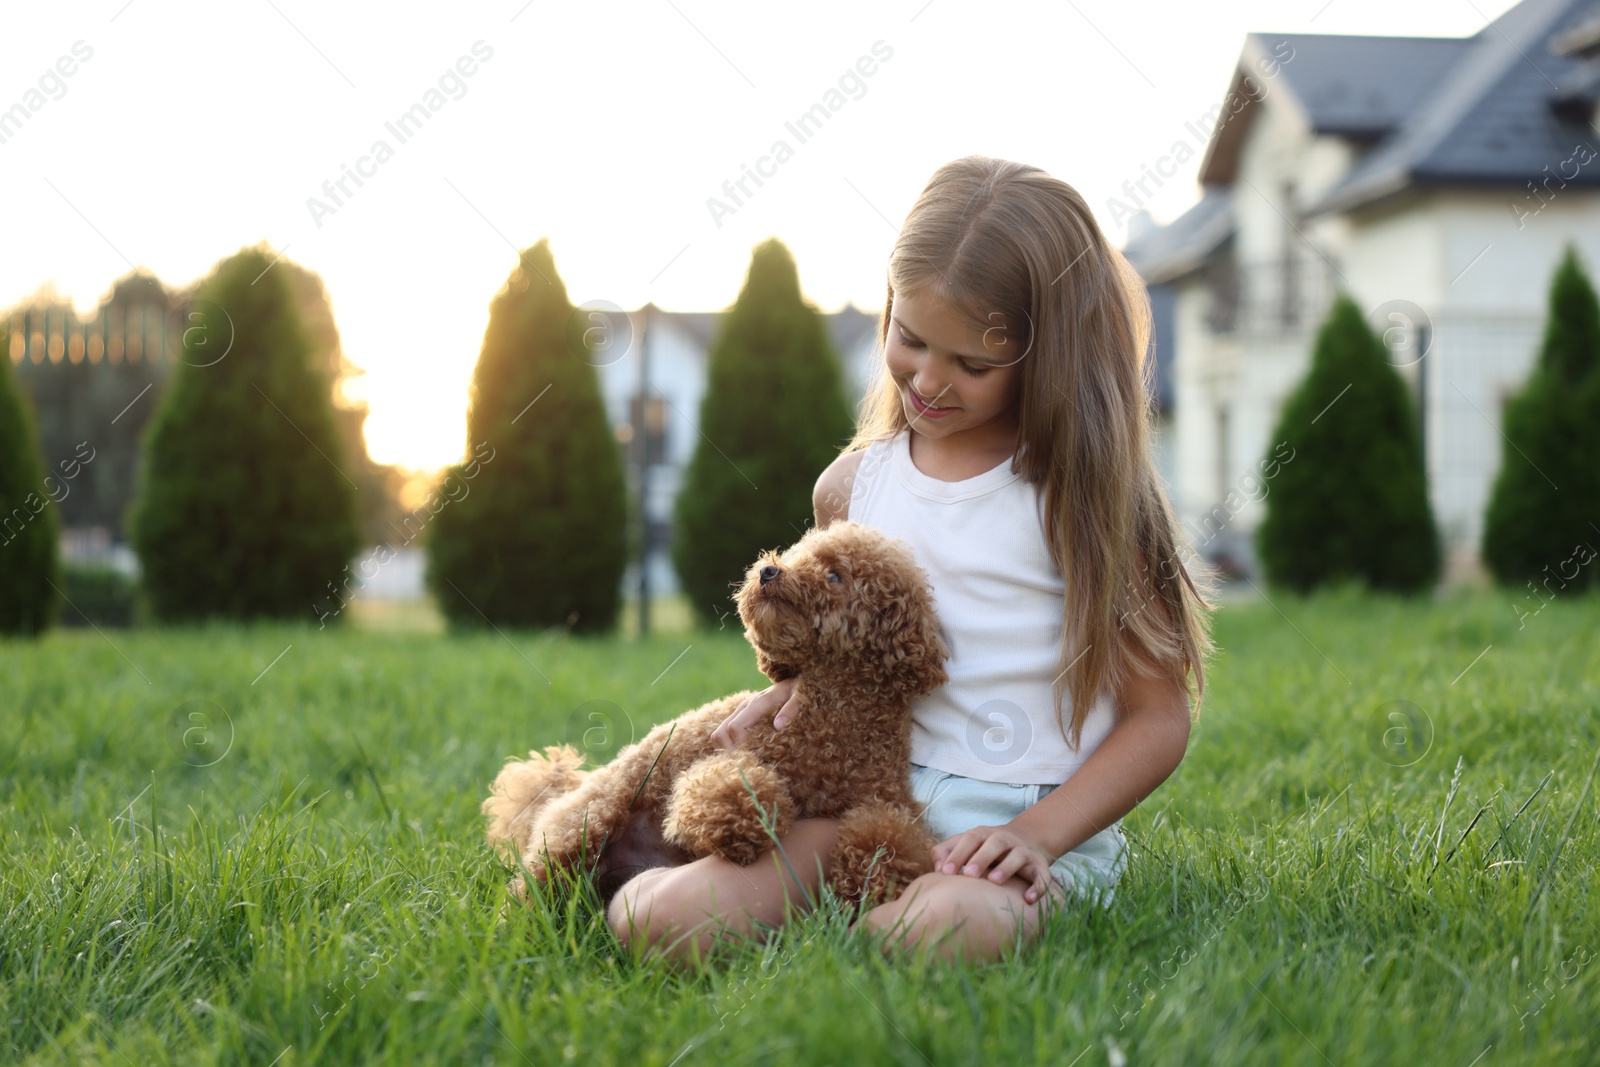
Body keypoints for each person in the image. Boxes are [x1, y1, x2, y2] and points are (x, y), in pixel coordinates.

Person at [606, 154, 1215, 969]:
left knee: (938, 932)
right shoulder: (853, 487)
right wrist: (783, 693)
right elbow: (846, 653)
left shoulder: (1081, 503)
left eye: (972, 364)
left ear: (1048, 356)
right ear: (890, 305)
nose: (928, 379)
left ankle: (857, 943)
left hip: (1020, 830)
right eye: (911, 339)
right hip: (867, 806)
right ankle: (709, 892)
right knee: (664, 922)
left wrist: (1037, 835)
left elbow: (1158, 714)